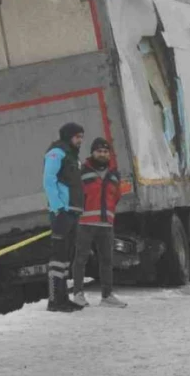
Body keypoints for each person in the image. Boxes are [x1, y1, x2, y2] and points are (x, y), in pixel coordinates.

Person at [72, 137, 128, 308]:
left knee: (107, 260)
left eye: (105, 151)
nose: (102, 154)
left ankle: (107, 296)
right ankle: (78, 294)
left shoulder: (114, 174)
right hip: (85, 224)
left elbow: (116, 196)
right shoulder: (82, 171)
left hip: (106, 225)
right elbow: (74, 194)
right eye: (99, 151)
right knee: (80, 259)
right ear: (92, 153)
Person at [43, 122, 86, 313]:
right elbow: (48, 180)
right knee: (57, 259)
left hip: (73, 212)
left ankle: (64, 298)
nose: (80, 141)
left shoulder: (72, 155)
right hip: (62, 213)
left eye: (81, 137)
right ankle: (55, 300)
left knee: (66, 258)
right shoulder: (56, 153)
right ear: (69, 136)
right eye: (78, 137)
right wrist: (58, 207)